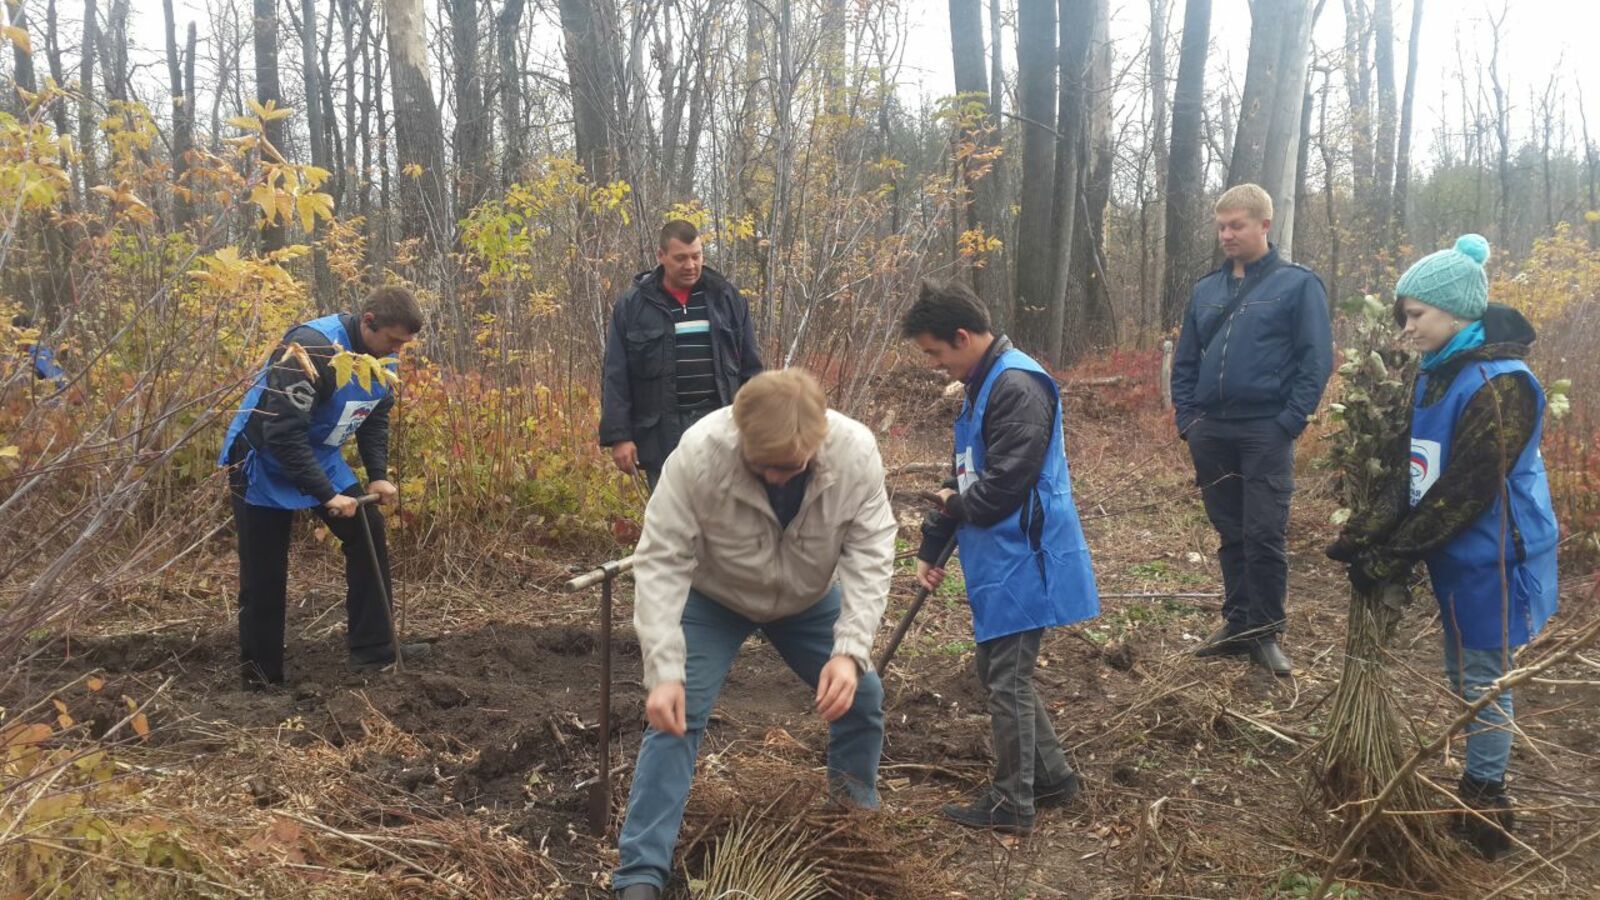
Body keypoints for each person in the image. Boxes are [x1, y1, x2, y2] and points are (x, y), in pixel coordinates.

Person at [612, 368, 896, 900]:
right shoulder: (698, 455)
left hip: (807, 598)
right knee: (678, 714)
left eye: (792, 468)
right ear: (741, 438)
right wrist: (664, 670)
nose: (780, 480)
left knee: (863, 698)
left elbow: (871, 550)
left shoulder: (855, 453)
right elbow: (661, 561)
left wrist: (849, 651)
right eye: (765, 468)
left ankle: (852, 826)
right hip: (715, 595)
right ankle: (640, 874)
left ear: (819, 443)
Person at [1329, 234, 1558, 860]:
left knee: (1483, 676)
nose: (1408, 327)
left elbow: (1469, 490)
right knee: (1462, 672)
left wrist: (1396, 553)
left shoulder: (1501, 384)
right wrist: (1365, 534)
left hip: (1497, 554)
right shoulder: (1435, 376)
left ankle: (1487, 799)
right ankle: (1479, 779)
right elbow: (1412, 468)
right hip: (1456, 548)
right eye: (1403, 314)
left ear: (1457, 314)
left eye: (1418, 315)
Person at [902, 280, 1100, 836]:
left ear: (962, 337)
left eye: (937, 354)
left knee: (1007, 677)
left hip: (1027, 555)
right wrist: (933, 544)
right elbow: (966, 471)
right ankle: (1053, 777)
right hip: (999, 556)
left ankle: (1013, 802)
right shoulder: (982, 382)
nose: (938, 366)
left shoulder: (1016, 385)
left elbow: (1003, 484)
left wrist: (954, 504)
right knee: (997, 668)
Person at [218, 287, 432, 690]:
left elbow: (374, 416)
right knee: (265, 570)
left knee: (367, 530)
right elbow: (281, 434)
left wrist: (378, 473)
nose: (397, 352)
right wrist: (326, 494)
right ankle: (261, 676)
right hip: (263, 455)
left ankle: (374, 648)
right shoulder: (312, 348)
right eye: (393, 341)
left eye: (404, 344)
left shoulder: (381, 361)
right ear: (368, 321)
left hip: (319, 451)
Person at [1171, 183, 1333, 676]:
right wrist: (1188, 421)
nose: (1226, 234)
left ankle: (1265, 633)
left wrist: (1289, 421)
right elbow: (1185, 362)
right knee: (1231, 531)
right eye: (1221, 225)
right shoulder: (1206, 289)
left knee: (1264, 533)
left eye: (1236, 225)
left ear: (1264, 225)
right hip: (1211, 431)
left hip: (1266, 429)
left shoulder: (1297, 284)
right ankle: (1237, 623)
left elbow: (1317, 360)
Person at [599, 219, 764, 487]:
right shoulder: (632, 306)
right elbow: (616, 375)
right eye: (681, 258)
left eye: (696, 256)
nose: (690, 265)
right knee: (671, 522)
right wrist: (620, 436)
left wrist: (760, 426)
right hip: (662, 431)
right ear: (661, 257)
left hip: (720, 425)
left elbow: (752, 369)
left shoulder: (727, 299)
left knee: (725, 519)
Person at [10, 314, 68, 388]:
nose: (13, 335)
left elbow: (56, 377)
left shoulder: (37, 349)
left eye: (14, 331)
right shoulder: (18, 352)